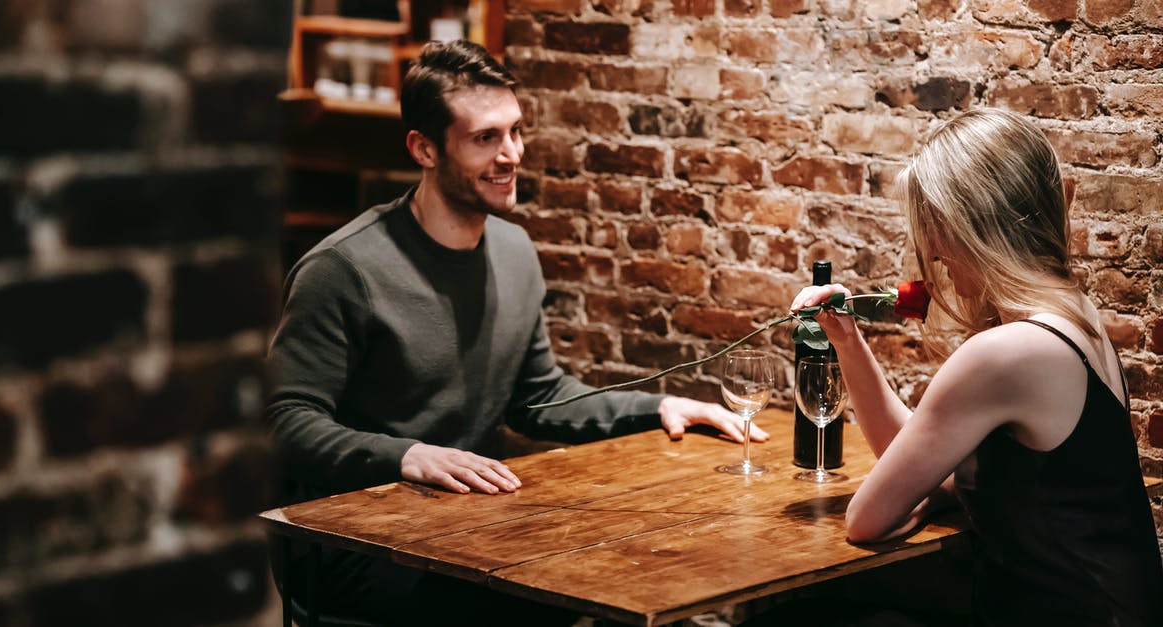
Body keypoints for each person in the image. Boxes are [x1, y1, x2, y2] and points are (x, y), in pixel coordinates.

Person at [265, 39, 760, 625]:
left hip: (468, 525)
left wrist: (661, 406)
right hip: (354, 547)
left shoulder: (513, 249)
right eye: (485, 138)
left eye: (515, 132)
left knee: (627, 568)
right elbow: (284, 421)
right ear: (424, 149)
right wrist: (407, 455)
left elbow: (538, 396)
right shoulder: (342, 270)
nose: (511, 154)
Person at [789, 108, 1163, 626]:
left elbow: (865, 520)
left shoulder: (1004, 353)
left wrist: (919, 502)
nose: (934, 249)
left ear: (972, 223)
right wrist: (847, 341)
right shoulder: (1078, 317)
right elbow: (920, 466)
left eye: (936, 227)